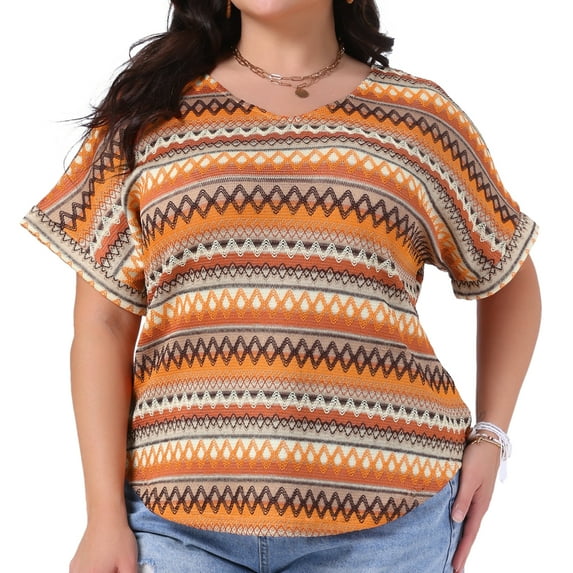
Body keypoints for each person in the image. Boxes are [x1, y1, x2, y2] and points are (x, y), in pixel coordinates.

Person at [22, 1, 541, 572]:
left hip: (391, 522)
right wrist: (102, 517)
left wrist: (492, 436)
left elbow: (508, 275)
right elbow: (103, 324)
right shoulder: (148, 114)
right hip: (175, 522)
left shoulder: (421, 118)